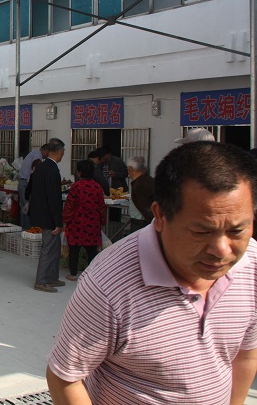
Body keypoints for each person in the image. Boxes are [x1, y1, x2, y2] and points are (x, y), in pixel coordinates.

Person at [47, 141, 257, 405]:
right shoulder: (108, 285)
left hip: (80, 227)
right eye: (201, 231)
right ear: (159, 215)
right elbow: (65, 377)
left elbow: (246, 354)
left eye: (237, 230)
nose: (222, 250)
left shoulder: (252, 266)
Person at [30, 138, 66, 293]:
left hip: (42, 211)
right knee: (48, 248)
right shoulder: (51, 170)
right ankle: (41, 280)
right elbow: (53, 198)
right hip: (48, 215)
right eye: (63, 152)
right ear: (59, 152)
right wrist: (58, 221)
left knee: (54, 248)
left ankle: (51, 276)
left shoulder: (42, 167)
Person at [61, 160, 105, 282]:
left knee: (74, 249)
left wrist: (65, 221)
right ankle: (91, 275)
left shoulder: (76, 187)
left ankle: (73, 274)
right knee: (91, 250)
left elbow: (69, 206)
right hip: (93, 223)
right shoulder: (97, 187)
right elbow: (102, 207)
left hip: (76, 223)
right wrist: (102, 222)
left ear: (80, 173)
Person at [18, 144, 50, 229]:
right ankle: (28, 229)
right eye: (48, 153)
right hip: (25, 183)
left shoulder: (34, 153)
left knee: (24, 208)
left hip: (23, 182)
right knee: (28, 208)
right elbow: (35, 172)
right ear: (45, 150)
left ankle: (23, 228)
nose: (48, 156)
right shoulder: (37, 157)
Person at [127, 155, 154, 233]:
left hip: (141, 224)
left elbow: (146, 208)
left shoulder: (139, 184)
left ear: (130, 169)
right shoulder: (149, 180)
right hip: (145, 223)